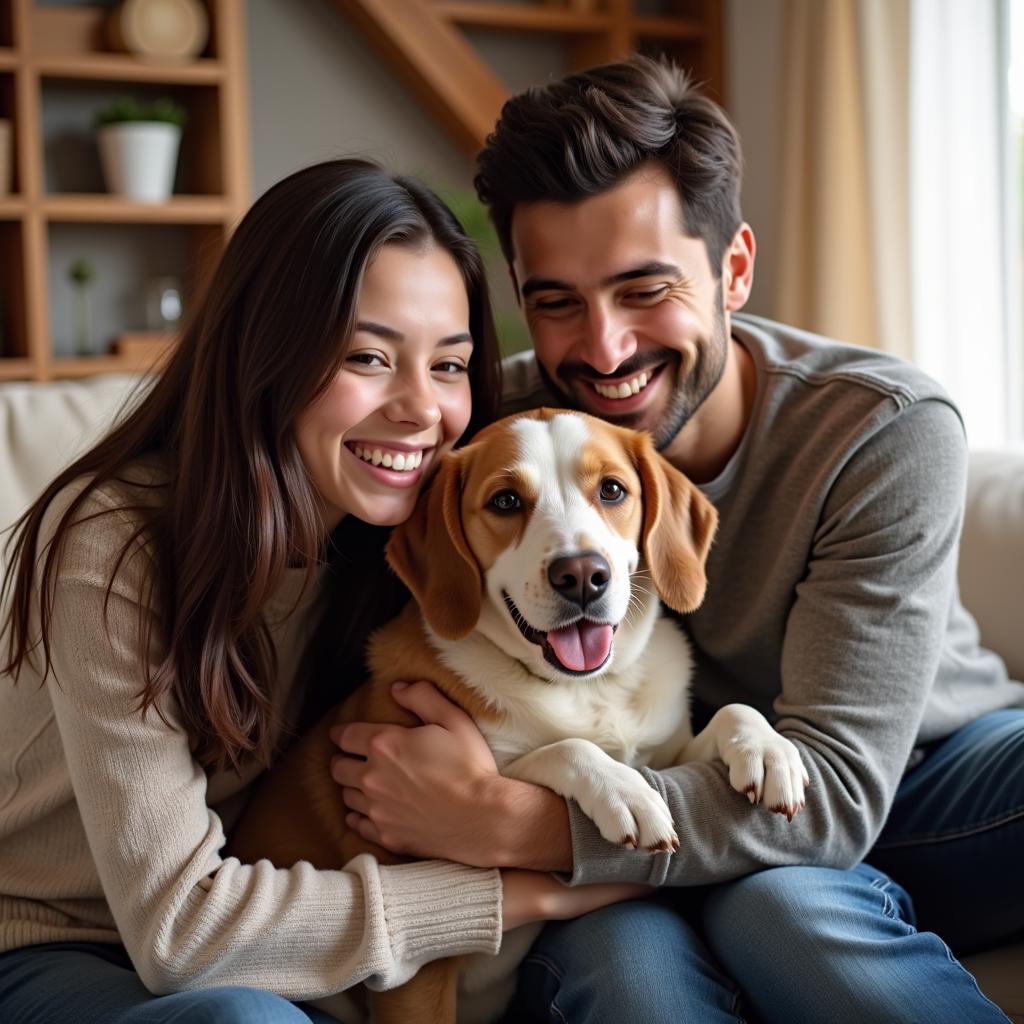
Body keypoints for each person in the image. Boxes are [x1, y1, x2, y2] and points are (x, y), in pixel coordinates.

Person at [330, 59, 1024, 1022]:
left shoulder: (880, 426)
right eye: (557, 300)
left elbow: (834, 799)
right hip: (698, 797)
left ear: (733, 268)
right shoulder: (503, 434)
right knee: (766, 909)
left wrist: (507, 821)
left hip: (926, 780)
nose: (604, 352)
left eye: (644, 288)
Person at [0, 158, 647, 1024]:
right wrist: (525, 893)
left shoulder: (412, 535)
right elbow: (181, 934)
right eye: (369, 357)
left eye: (450, 366)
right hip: (58, 939)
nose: (422, 408)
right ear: (268, 353)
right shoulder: (113, 546)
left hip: (283, 911)